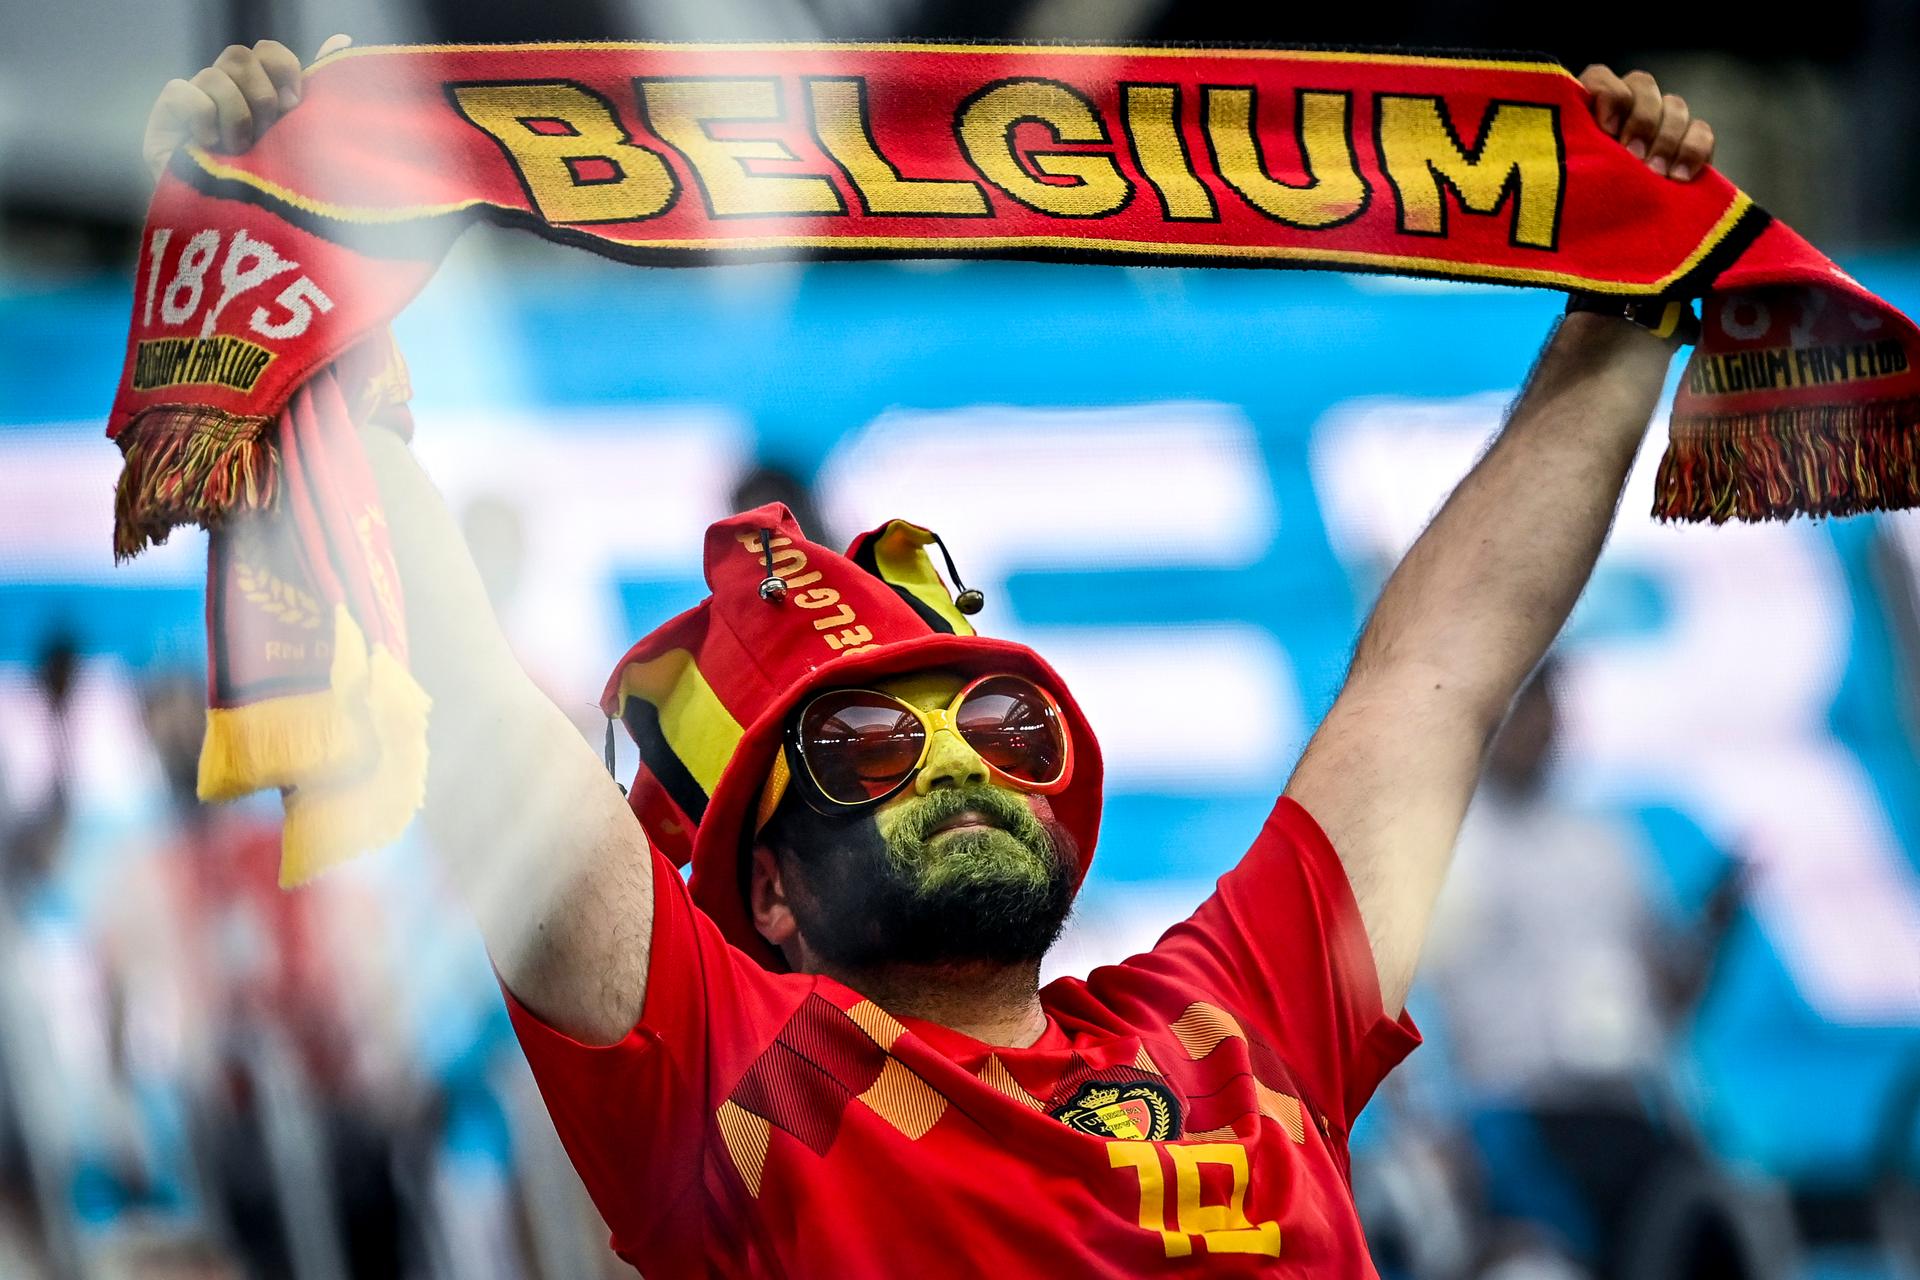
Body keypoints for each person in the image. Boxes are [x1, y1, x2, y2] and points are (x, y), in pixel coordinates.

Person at [143, 38, 1720, 1278]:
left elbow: (1439, 672)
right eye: (869, 754)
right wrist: (296, 278)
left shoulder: (1240, 1014)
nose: (961, 759)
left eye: (998, 723)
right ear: (768, 894)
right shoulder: (735, 1086)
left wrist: (1628, 315)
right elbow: (486, 731)